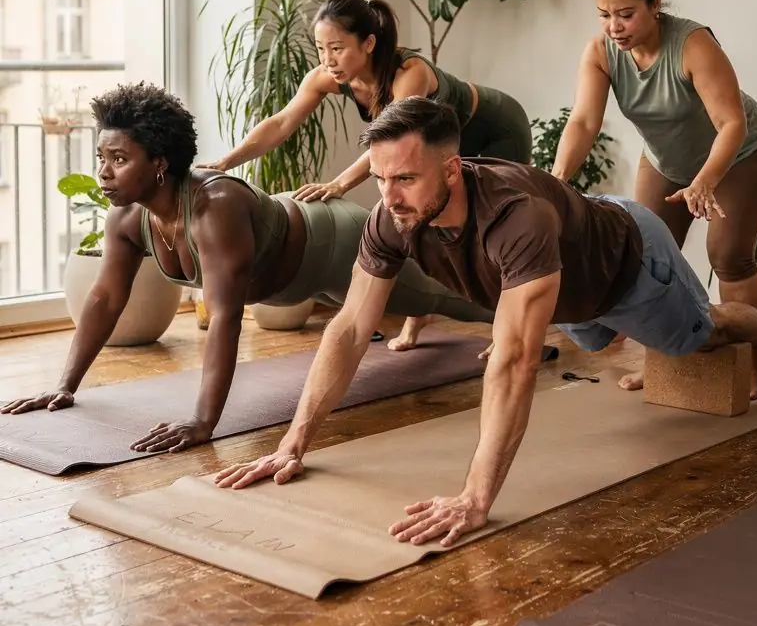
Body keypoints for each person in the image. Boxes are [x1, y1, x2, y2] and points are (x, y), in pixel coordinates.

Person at [214, 98, 757, 546]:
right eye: (382, 178)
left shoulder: (516, 217)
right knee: (592, 338)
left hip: (627, 266)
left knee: (701, 340)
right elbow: (348, 328)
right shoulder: (391, 217)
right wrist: (292, 445)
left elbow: (517, 359)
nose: (389, 197)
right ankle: (638, 340)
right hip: (568, 287)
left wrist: (476, 497)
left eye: (406, 179)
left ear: (451, 169)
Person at [0, 84, 492, 452]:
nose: (104, 172)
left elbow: (227, 318)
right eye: (102, 157)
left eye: (119, 158)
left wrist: (203, 422)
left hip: (335, 245)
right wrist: (64, 386)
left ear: (160, 164)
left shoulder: (215, 209)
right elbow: (104, 298)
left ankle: (538, 310)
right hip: (291, 278)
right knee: (412, 303)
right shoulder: (128, 217)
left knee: (456, 297)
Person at [552, 0, 757, 397]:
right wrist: (555, 179)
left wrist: (704, 182)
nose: (614, 26)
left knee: (728, 257)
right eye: (604, 15)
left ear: (656, 4)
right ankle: (661, 361)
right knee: (641, 257)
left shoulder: (692, 44)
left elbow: (731, 124)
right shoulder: (601, 53)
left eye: (626, 14)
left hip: (740, 156)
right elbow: (583, 123)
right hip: (663, 160)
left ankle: (754, 362)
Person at [206, 0, 532, 199]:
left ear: (369, 44)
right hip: (447, 140)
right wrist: (226, 162)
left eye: (337, 49)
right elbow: (281, 123)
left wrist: (339, 184)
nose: (327, 60)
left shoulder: (409, 74)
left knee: (492, 214)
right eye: (321, 49)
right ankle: (427, 310)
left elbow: (390, 138)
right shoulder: (327, 76)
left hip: (495, 127)